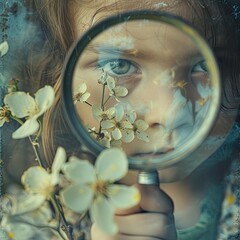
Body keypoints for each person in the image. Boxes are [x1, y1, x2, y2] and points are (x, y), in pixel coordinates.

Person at [9, 0, 240, 239]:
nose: (170, 114)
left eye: (206, 64)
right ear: (56, 76)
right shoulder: (23, 224)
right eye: (119, 66)